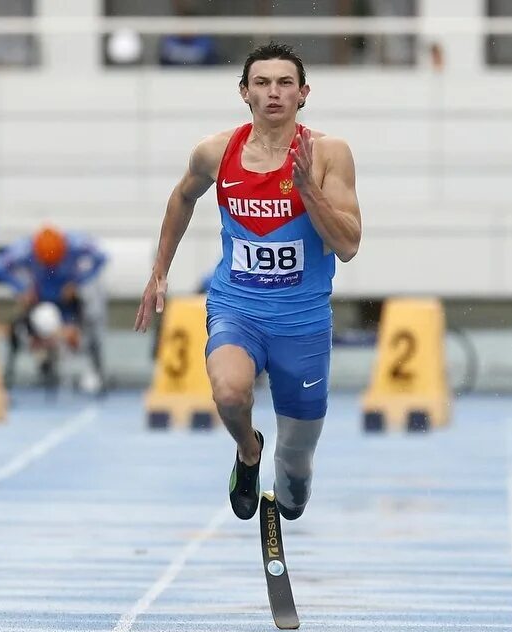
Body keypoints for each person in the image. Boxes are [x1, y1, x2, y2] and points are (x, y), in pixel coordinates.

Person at [134, 43, 362, 522]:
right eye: (262, 83)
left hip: (302, 323)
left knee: (296, 473)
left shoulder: (329, 154)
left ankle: (286, 476)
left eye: (284, 83)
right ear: (244, 92)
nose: (273, 93)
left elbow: (348, 244)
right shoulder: (215, 152)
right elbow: (181, 198)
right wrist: (160, 272)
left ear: (303, 94)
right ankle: (248, 450)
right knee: (230, 393)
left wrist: (308, 192)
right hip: (238, 308)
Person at [0, 224, 107, 393]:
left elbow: (102, 257)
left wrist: (78, 282)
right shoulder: (24, 249)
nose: (50, 268)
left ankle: (97, 372)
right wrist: (21, 288)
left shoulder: (76, 244)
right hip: (38, 300)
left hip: (68, 300)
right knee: (18, 330)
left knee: (90, 325)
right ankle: (11, 375)